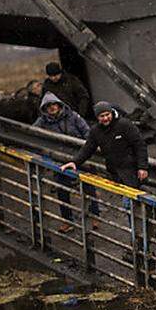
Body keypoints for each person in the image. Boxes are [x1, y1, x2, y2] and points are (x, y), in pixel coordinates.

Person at [33, 93, 98, 231]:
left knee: (89, 187)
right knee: (62, 191)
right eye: (48, 106)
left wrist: (87, 151)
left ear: (59, 105)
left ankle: (94, 217)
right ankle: (68, 221)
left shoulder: (73, 116)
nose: (52, 108)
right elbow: (31, 135)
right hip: (60, 159)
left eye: (54, 104)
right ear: (44, 109)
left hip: (81, 157)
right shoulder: (42, 122)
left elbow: (87, 133)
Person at [60, 101, 148, 188]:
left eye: (107, 114)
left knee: (135, 196)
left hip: (132, 170)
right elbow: (88, 148)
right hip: (114, 172)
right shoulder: (96, 131)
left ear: (111, 113)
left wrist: (142, 167)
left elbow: (139, 145)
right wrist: (75, 162)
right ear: (97, 117)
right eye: (102, 116)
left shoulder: (124, 125)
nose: (105, 118)